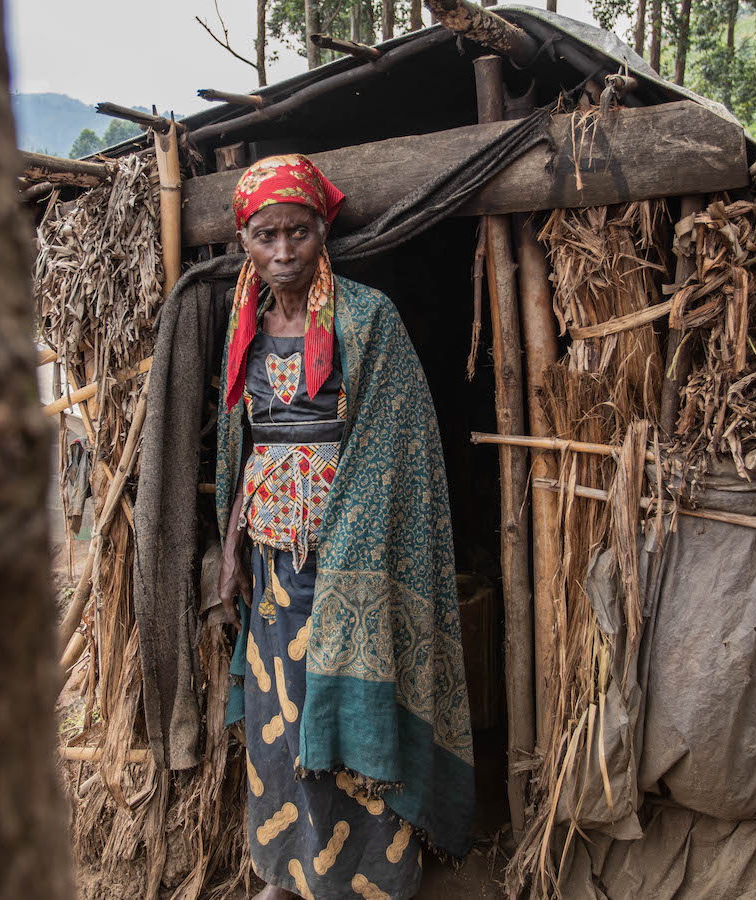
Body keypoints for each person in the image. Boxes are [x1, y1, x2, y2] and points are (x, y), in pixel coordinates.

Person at [214, 155, 474, 900]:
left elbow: (399, 439)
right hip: (273, 570)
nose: (284, 251)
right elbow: (243, 446)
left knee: (350, 717)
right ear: (244, 243)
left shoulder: (368, 319)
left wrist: (350, 538)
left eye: (298, 232)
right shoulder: (245, 333)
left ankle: (372, 878)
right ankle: (284, 872)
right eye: (267, 235)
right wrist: (231, 551)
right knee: (281, 724)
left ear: (323, 232)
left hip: (348, 563)